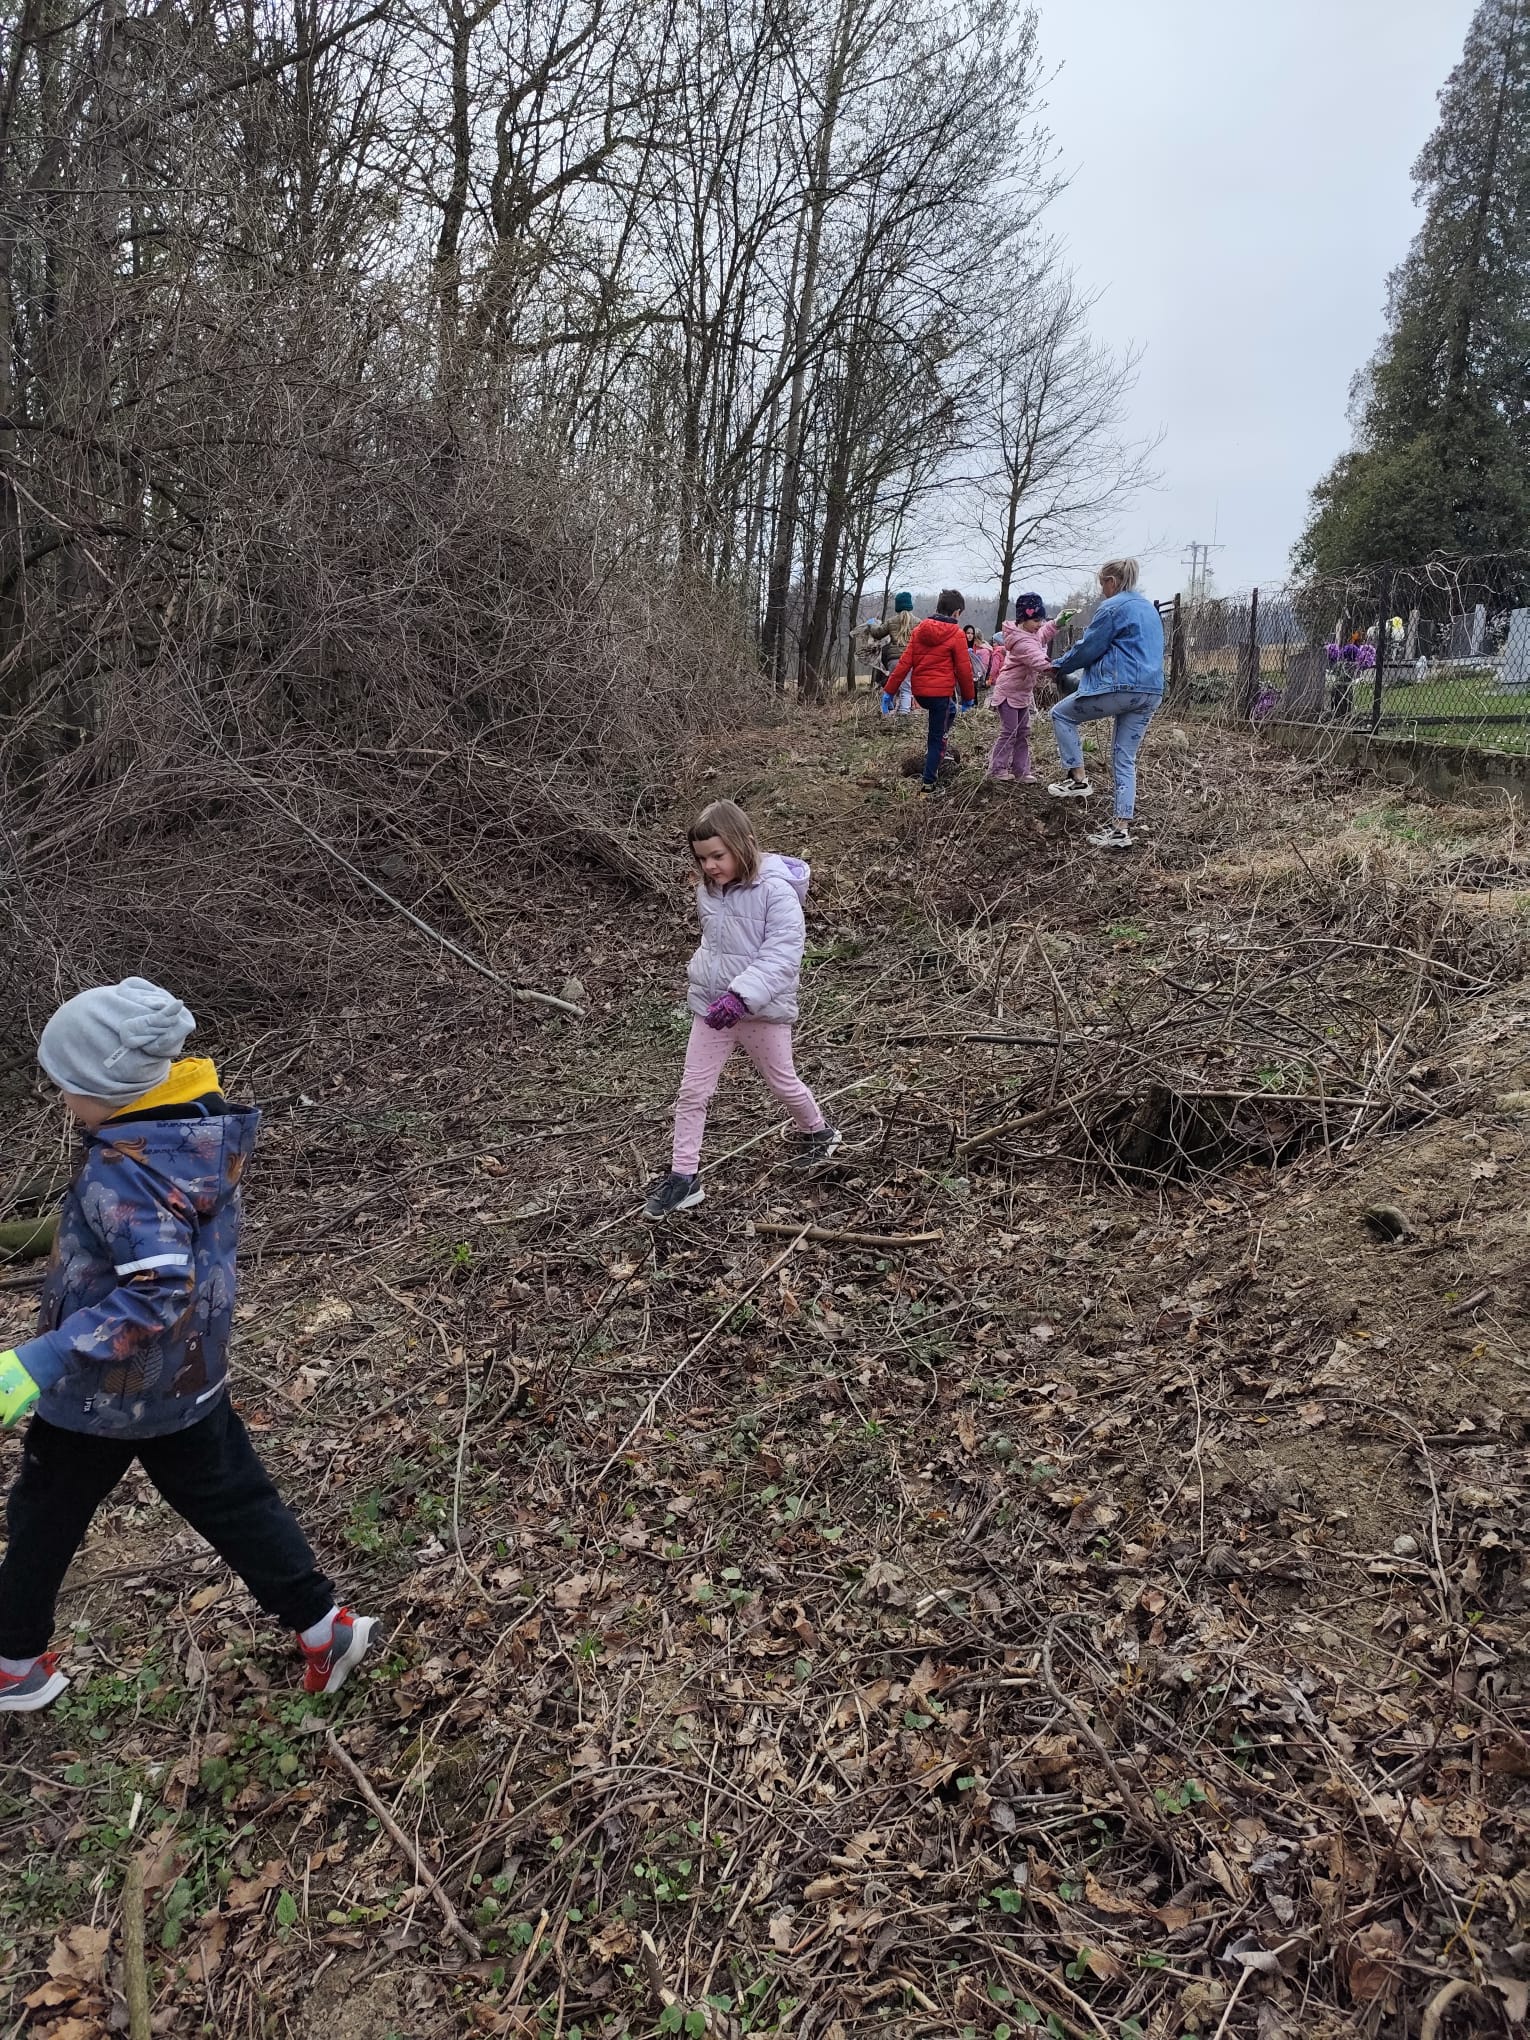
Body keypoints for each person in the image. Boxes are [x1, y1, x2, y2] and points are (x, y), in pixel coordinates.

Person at [0, 980, 375, 1713]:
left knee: (43, 1515)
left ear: (105, 1089)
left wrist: (41, 1360)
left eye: (67, 1087)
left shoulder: (124, 1169)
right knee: (233, 1499)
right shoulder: (192, 1137)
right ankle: (324, 1627)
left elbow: (157, 1291)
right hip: (187, 1378)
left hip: (101, 1395)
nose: (63, 1102)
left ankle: (13, 1664)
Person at [645, 802, 840, 1219]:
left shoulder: (776, 892)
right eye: (702, 858)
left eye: (718, 855)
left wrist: (741, 997)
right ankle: (684, 1177)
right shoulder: (708, 890)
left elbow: (782, 955)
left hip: (760, 1011)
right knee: (693, 1092)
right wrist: (703, 976)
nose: (709, 866)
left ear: (744, 844)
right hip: (712, 1010)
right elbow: (715, 945)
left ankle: (819, 1132)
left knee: (782, 1082)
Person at [1045, 558, 1164, 851]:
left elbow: (1089, 647)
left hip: (1120, 687)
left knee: (1061, 714)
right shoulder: (1148, 608)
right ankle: (1121, 830)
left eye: (1102, 584)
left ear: (1112, 581)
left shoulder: (1113, 607)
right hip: (1150, 691)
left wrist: (1059, 666)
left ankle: (1078, 779)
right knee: (1125, 758)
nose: (1102, 591)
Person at [886, 588, 974, 793]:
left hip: (921, 694)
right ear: (957, 613)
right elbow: (964, 670)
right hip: (939, 695)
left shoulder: (919, 630)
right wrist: (969, 697)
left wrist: (889, 691)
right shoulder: (957, 634)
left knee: (951, 710)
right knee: (936, 738)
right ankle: (928, 783)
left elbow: (904, 663)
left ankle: (940, 741)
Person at [987, 593, 1056, 783]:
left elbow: (1043, 634)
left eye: (1042, 620)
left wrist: (1057, 623)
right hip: (1008, 693)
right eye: (1036, 620)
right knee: (1010, 731)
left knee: (1023, 731)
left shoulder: (1031, 633)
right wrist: (1056, 668)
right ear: (1023, 619)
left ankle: (1021, 770)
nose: (1040, 624)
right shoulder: (1021, 642)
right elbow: (1037, 659)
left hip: (1022, 693)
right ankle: (997, 768)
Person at [868, 593, 915, 714]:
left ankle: (888, 708)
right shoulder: (918, 622)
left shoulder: (891, 621)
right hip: (909, 660)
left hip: (893, 660)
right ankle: (904, 714)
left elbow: (877, 633)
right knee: (906, 689)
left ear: (897, 607)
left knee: (892, 685)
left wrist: (872, 624)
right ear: (910, 606)